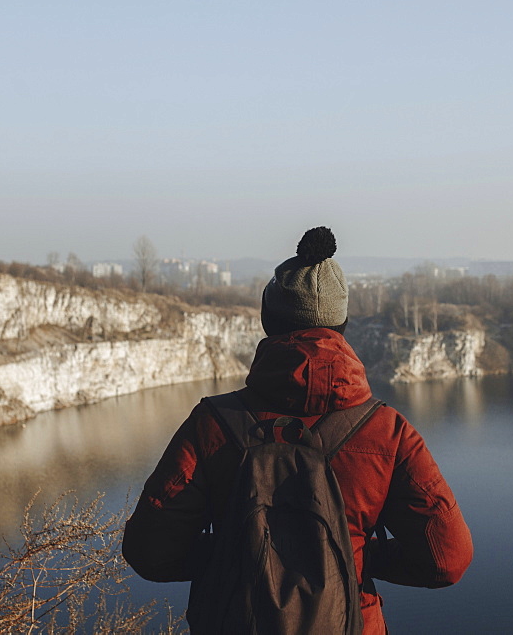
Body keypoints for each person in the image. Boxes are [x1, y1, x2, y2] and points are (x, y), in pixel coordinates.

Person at [122, 226, 473, 634]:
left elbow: (149, 551)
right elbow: (447, 559)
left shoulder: (212, 424)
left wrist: (236, 555)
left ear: (268, 320)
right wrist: (357, 557)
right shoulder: (387, 432)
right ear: (342, 324)